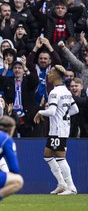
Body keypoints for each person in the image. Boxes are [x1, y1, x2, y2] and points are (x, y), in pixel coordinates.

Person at [34, 65, 79, 195]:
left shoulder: (54, 92)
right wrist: (63, 116)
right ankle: (61, 183)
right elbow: (75, 110)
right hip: (62, 128)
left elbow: (52, 111)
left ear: (56, 76)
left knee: (60, 157)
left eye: (51, 72)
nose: (48, 74)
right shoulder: (66, 91)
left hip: (58, 129)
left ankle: (71, 187)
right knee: (47, 154)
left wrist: (40, 112)